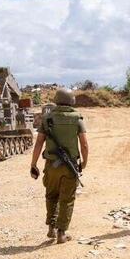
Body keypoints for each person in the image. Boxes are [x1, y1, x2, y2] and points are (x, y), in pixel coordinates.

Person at [29, 88, 88, 243]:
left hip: (51, 166)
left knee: (51, 195)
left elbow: (38, 143)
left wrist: (33, 164)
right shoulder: (77, 118)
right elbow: (84, 145)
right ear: (71, 101)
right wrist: (84, 163)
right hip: (70, 166)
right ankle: (61, 233)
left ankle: (51, 227)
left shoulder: (47, 118)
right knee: (67, 199)